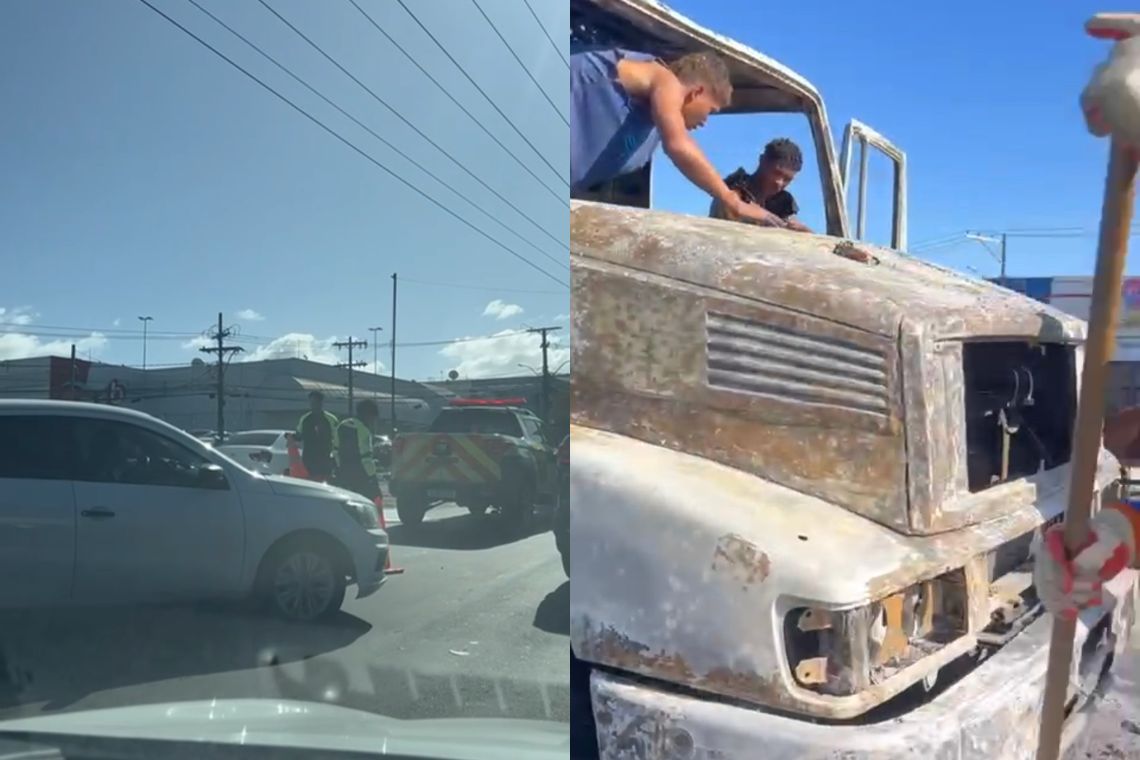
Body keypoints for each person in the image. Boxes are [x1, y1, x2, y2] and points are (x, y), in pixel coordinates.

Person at [570, 47, 785, 227]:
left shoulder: (650, 133)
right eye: (710, 111)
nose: (705, 122)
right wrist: (732, 200)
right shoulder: (662, 78)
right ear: (697, 92)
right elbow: (678, 145)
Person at [709, 138, 811, 232]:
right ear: (762, 161)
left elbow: (792, 226)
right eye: (776, 173)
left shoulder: (783, 202)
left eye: (787, 179)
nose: (779, 182)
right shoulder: (733, 189)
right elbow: (727, 211)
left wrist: (804, 233)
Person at [335, 399, 381, 501]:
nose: (373, 421)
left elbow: (335, 450)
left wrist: (339, 468)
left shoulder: (342, 425)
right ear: (368, 415)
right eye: (373, 418)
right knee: (369, 501)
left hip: (343, 472)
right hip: (361, 475)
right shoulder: (363, 430)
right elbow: (366, 458)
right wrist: (373, 477)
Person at [295, 391, 337, 482]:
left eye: (316, 402)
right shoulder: (305, 419)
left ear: (321, 403)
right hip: (308, 459)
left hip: (325, 458)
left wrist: (334, 456)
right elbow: (298, 435)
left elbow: (337, 439)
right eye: (311, 402)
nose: (313, 405)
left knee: (325, 484)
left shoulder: (331, 419)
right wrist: (292, 437)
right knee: (309, 483)